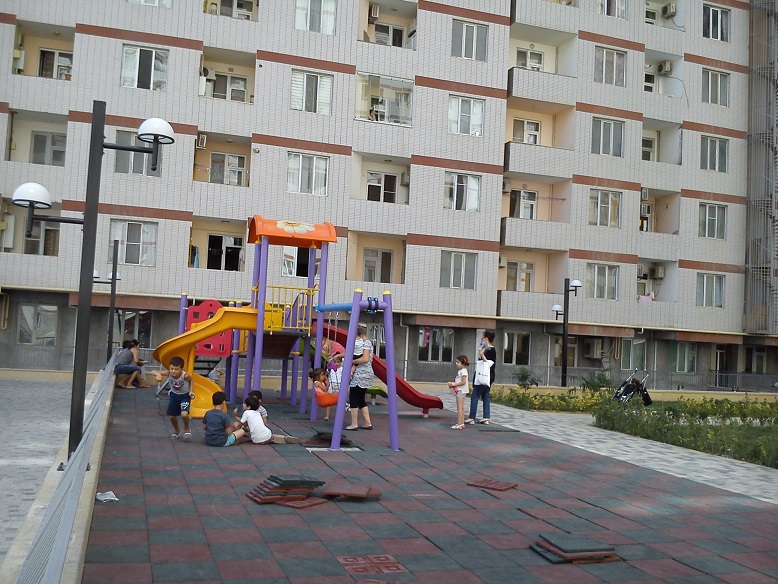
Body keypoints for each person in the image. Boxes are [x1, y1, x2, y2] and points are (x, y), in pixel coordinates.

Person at [154, 356, 195, 440]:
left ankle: (187, 428)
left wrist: (191, 391)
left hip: (184, 396)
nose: (173, 371)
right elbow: (153, 371)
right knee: (172, 417)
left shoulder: (185, 376)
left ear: (181, 369)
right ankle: (177, 430)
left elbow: (191, 380)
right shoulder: (168, 373)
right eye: (172, 368)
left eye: (176, 369)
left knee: (184, 414)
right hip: (174, 395)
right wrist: (158, 374)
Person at [345, 323, 374, 431]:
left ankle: (354, 424)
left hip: (360, 373)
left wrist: (351, 361)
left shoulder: (365, 343)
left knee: (353, 397)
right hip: (366, 373)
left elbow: (365, 359)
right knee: (361, 398)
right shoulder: (367, 342)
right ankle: (367, 423)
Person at [466, 331, 496, 425]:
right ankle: (486, 417)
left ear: (486, 338)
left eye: (482, 338)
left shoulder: (490, 350)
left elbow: (488, 363)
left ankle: (472, 417)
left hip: (484, 376)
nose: (481, 339)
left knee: (475, 396)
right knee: (485, 395)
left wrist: (482, 354)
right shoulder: (488, 349)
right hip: (489, 376)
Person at [448, 355, 469, 430]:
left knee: (459, 408)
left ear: (462, 363)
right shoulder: (462, 371)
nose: (456, 364)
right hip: (460, 390)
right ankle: (461, 423)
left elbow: (463, 382)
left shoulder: (463, 371)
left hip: (460, 391)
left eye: (458, 362)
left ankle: (459, 424)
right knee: (461, 407)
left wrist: (454, 384)